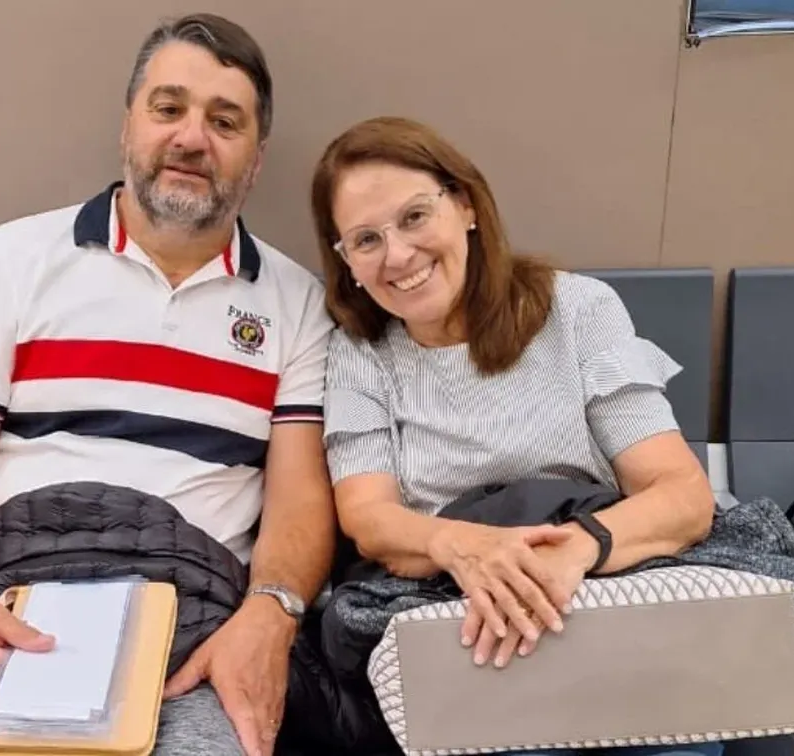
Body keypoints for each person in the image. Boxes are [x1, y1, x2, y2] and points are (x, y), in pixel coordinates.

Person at [0, 13, 338, 756]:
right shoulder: (18, 256)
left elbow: (301, 501)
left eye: (224, 121)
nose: (190, 138)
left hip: (186, 633)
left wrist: (269, 615)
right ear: (128, 126)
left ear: (257, 157)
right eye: (168, 108)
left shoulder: (296, 302)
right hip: (1, 607)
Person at [309, 115, 722, 756]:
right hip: (456, 624)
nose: (396, 256)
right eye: (365, 240)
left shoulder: (579, 310)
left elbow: (682, 495)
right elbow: (369, 518)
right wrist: (465, 547)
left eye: (414, 217)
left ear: (467, 205)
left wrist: (575, 552)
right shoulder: (360, 353)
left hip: (600, 594)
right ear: (347, 263)